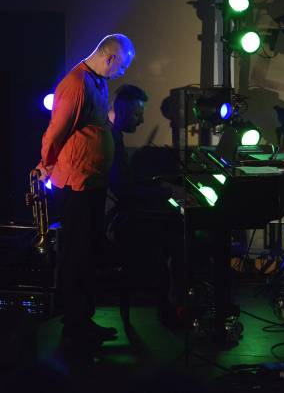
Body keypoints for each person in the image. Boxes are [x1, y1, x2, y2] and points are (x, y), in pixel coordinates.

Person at [37, 34, 135, 346]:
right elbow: (55, 132)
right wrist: (46, 164)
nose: (122, 73)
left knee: (87, 252)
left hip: (91, 181)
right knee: (77, 255)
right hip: (77, 184)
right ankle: (75, 325)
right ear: (110, 58)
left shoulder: (97, 81)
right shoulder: (77, 84)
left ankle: (82, 320)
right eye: (122, 66)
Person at [105, 84, 183, 327]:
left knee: (174, 230)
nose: (141, 121)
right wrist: (165, 191)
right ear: (122, 109)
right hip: (118, 223)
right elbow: (125, 191)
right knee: (178, 236)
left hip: (122, 214)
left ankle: (172, 302)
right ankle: (171, 305)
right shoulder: (110, 139)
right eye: (137, 114)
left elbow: (127, 184)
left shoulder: (113, 135)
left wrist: (159, 186)